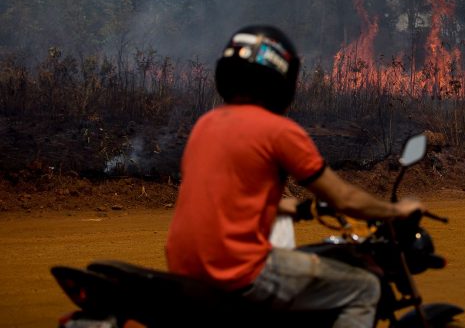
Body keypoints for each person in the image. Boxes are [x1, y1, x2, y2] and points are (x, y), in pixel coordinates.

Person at [165, 25, 424, 328]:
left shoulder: (206, 124)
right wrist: (396, 210)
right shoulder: (278, 131)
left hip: (184, 265)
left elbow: (228, 197)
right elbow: (344, 198)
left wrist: (296, 208)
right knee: (364, 287)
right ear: (282, 79)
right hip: (238, 268)